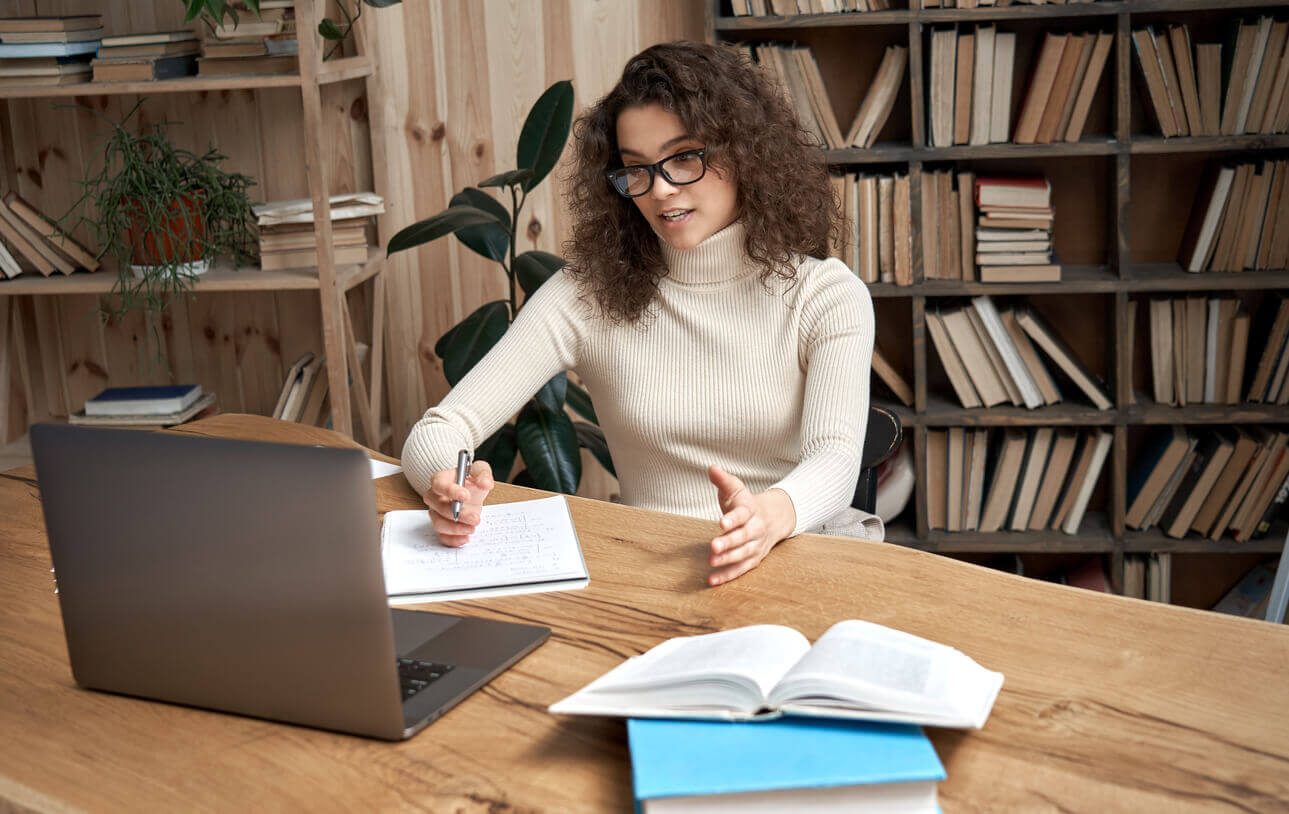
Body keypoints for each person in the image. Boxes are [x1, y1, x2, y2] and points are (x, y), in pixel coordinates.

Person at [401, 41, 879, 586]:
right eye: (637, 170)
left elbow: (836, 460)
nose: (662, 191)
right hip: (650, 574)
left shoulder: (824, 295)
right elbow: (441, 429)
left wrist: (768, 517)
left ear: (745, 152)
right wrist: (445, 485)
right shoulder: (585, 294)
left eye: (684, 158)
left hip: (795, 559)